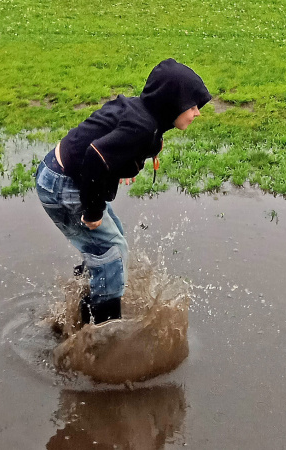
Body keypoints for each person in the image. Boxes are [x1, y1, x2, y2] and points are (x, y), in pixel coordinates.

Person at [35, 58, 211, 325]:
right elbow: (95, 156)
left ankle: (84, 295)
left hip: (59, 172)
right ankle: (103, 326)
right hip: (63, 184)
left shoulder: (141, 113)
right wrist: (92, 212)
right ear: (172, 103)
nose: (197, 112)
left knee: (112, 241)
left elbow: (105, 133)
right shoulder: (142, 127)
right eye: (193, 106)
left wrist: (117, 166)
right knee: (111, 250)